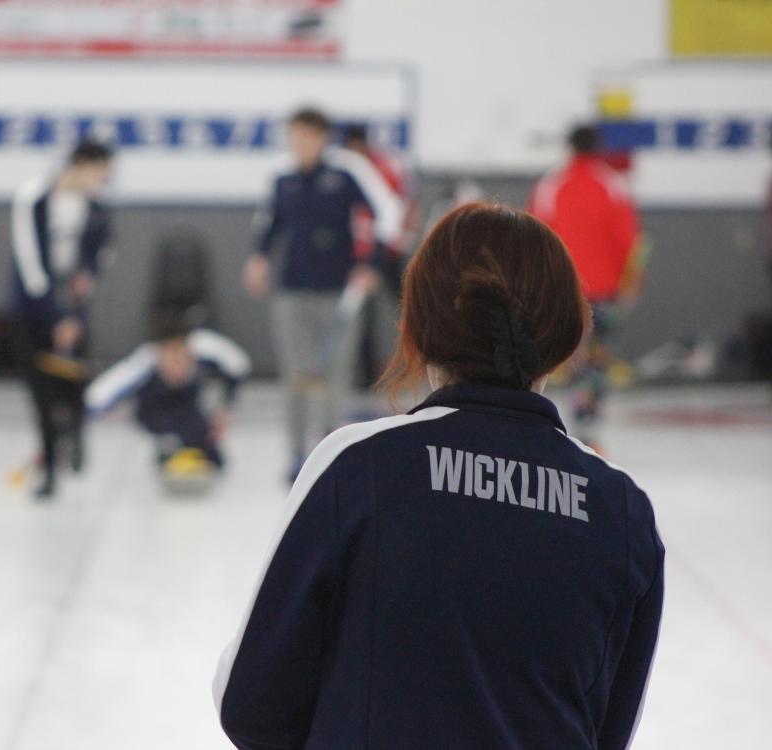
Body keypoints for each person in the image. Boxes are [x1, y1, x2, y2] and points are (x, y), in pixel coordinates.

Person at [215, 203, 664, 750]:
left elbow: (250, 704)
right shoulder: (622, 510)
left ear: (421, 326)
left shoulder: (360, 467)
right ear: (565, 335)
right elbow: (606, 731)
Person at [243, 107, 404, 480]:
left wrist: (372, 264)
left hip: (338, 292)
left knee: (335, 373)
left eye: (307, 136)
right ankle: (297, 455)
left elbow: (388, 212)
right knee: (296, 374)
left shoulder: (346, 174)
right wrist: (258, 259)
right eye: (294, 136)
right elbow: (269, 224)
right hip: (292, 292)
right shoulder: (282, 179)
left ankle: (332, 454)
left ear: (322, 138)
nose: (299, 144)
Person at [528, 124, 644, 449]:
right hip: (605, 293)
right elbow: (629, 241)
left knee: (565, 359)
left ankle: (562, 425)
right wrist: (632, 283)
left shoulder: (550, 185)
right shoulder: (614, 186)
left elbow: (536, 239)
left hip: (564, 291)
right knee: (596, 361)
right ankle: (588, 428)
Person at [10, 140, 114, 499]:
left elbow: (101, 254)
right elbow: (31, 267)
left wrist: (82, 292)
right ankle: (49, 470)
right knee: (41, 393)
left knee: (74, 385)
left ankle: (77, 435)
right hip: (35, 312)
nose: (102, 182)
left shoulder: (97, 208)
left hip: (74, 309)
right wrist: (56, 318)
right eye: (99, 174)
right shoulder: (33, 199)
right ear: (79, 166)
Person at [84, 312, 251, 472]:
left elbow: (239, 366)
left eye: (183, 357)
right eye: (171, 358)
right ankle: (168, 448)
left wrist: (226, 408)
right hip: (154, 412)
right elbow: (98, 395)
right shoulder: (143, 364)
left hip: (188, 405)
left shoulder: (205, 349)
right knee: (171, 445)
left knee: (214, 460)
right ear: (158, 353)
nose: (179, 366)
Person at [342, 123, 417, 389]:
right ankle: (366, 375)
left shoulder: (386, 166)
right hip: (358, 253)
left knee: (405, 304)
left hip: (388, 248)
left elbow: (404, 203)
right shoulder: (345, 169)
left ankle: (413, 363)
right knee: (363, 313)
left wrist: (401, 237)